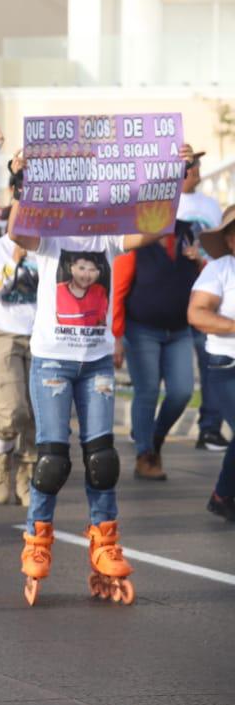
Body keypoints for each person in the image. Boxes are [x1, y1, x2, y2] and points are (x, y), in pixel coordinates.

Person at [9, 144, 190, 605]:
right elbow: (18, 232)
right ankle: (37, 540)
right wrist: (20, 180)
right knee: (52, 459)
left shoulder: (109, 237)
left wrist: (174, 173)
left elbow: (156, 226)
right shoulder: (50, 236)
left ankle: (105, 544)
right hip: (52, 359)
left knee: (101, 459)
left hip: (96, 362)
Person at [113, 191, 204, 481]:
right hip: (142, 329)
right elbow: (119, 286)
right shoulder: (135, 235)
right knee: (148, 391)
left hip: (179, 329)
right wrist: (116, 335)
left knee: (181, 392)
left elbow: (206, 279)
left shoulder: (188, 231)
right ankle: (145, 454)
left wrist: (198, 260)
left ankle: (155, 438)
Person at [0, 219, 39, 505]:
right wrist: (12, 264)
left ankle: (27, 473)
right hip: (4, 332)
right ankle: (1, 456)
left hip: (42, 335)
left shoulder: (47, 246)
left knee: (36, 411)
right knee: (12, 408)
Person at [175, 153, 230, 450]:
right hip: (172, 300)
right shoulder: (164, 202)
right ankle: (149, 434)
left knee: (212, 364)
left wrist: (202, 258)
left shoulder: (209, 204)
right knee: (175, 382)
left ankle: (209, 428)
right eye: (190, 166)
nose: (196, 170)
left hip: (210, 296)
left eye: (195, 165)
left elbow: (220, 247)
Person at [186, 205, 235, 522]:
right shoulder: (220, 270)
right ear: (230, 241)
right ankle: (223, 493)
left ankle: (224, 493)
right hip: (226, 364)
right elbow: (197, 313)